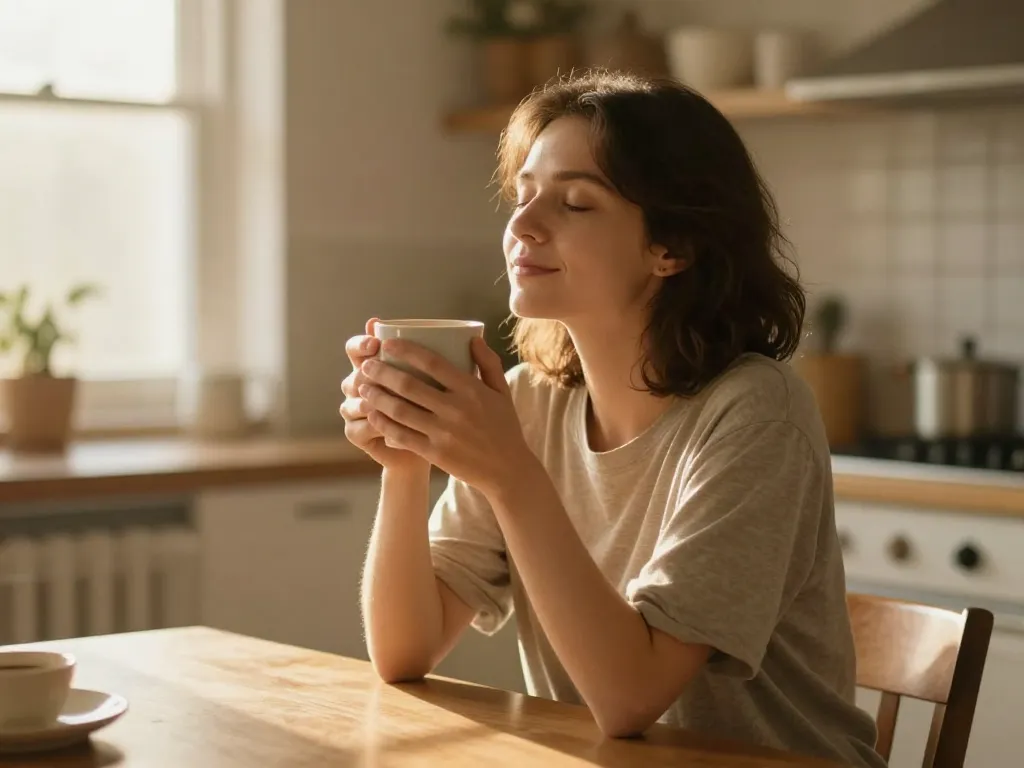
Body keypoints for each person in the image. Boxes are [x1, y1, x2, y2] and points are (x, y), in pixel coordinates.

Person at [339, 71, 884, 767]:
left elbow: (630, 698)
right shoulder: (530, 402)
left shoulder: (756, 414)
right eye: (523, 193)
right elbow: (402, 653)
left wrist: (511, 475)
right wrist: (407, 464)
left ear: (672, 247)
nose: (522, 225)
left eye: (574, 202)